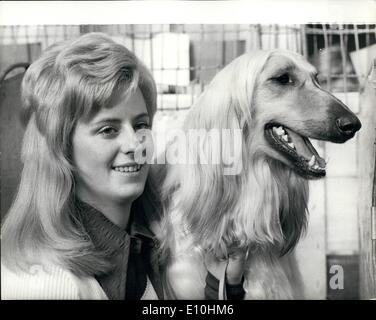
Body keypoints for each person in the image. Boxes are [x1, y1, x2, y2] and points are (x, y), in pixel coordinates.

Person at [1, 32, 245, 300]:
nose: (135, 143)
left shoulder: (147, 247)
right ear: (61, 149)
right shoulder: (45, 283)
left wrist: (222, 286)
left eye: (141, 125)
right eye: (108, 129)